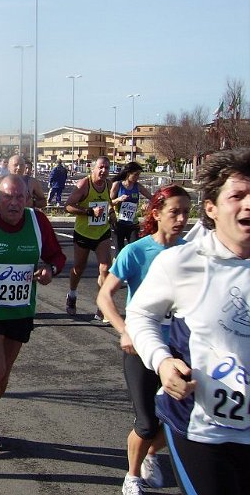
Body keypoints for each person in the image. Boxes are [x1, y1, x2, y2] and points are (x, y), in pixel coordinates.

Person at [125, 148, 250, 495]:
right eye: (237, 196)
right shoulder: (182, 263)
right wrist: (162, 362)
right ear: (210, 208)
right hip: (201, 429)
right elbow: (140, 314)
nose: (249, 204)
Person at [0, 174, 66, 451]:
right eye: (8, 197)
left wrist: (49, 270)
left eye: (20, 197)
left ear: (28, 199)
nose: (14, 203)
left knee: (4, 374)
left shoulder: (38, 221)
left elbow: (58, 256)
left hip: (21, 307)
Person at [96, 185, 192, 495]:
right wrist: (125, 330)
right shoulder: (136, 252)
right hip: (142, 347)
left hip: (181, 348)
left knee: (179, 418)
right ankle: (133, 476)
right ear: (156, 214)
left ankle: (151, 452)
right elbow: (104, 296)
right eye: (174, 212)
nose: (181, 219)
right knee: (148, 422)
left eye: (186, 212)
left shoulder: (192, 253)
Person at [64, 156, 113, 320]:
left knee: (105, 267)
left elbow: (109, 202)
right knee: (79, 268)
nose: (103, 171)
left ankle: (102, 306)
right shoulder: (84, 184)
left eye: (106, 167)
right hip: (84, 233)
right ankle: (72, 294)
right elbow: (68, 206)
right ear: (93, 168)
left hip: (102, 232)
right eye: (101, 167)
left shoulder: (108, 184)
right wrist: (89, 212)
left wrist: (112, 215)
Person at [110, 161, 154, 254]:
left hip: (132, 224)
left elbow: (152, 198)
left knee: (135, 250)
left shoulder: (137, 186)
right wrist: (118, 199)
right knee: (119, 252)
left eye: (139, 175)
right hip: (118, 223)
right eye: (135, 175)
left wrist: (147, 204)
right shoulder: (118, 185)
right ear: (128, 173)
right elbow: (109, 202)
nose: (137, 177)